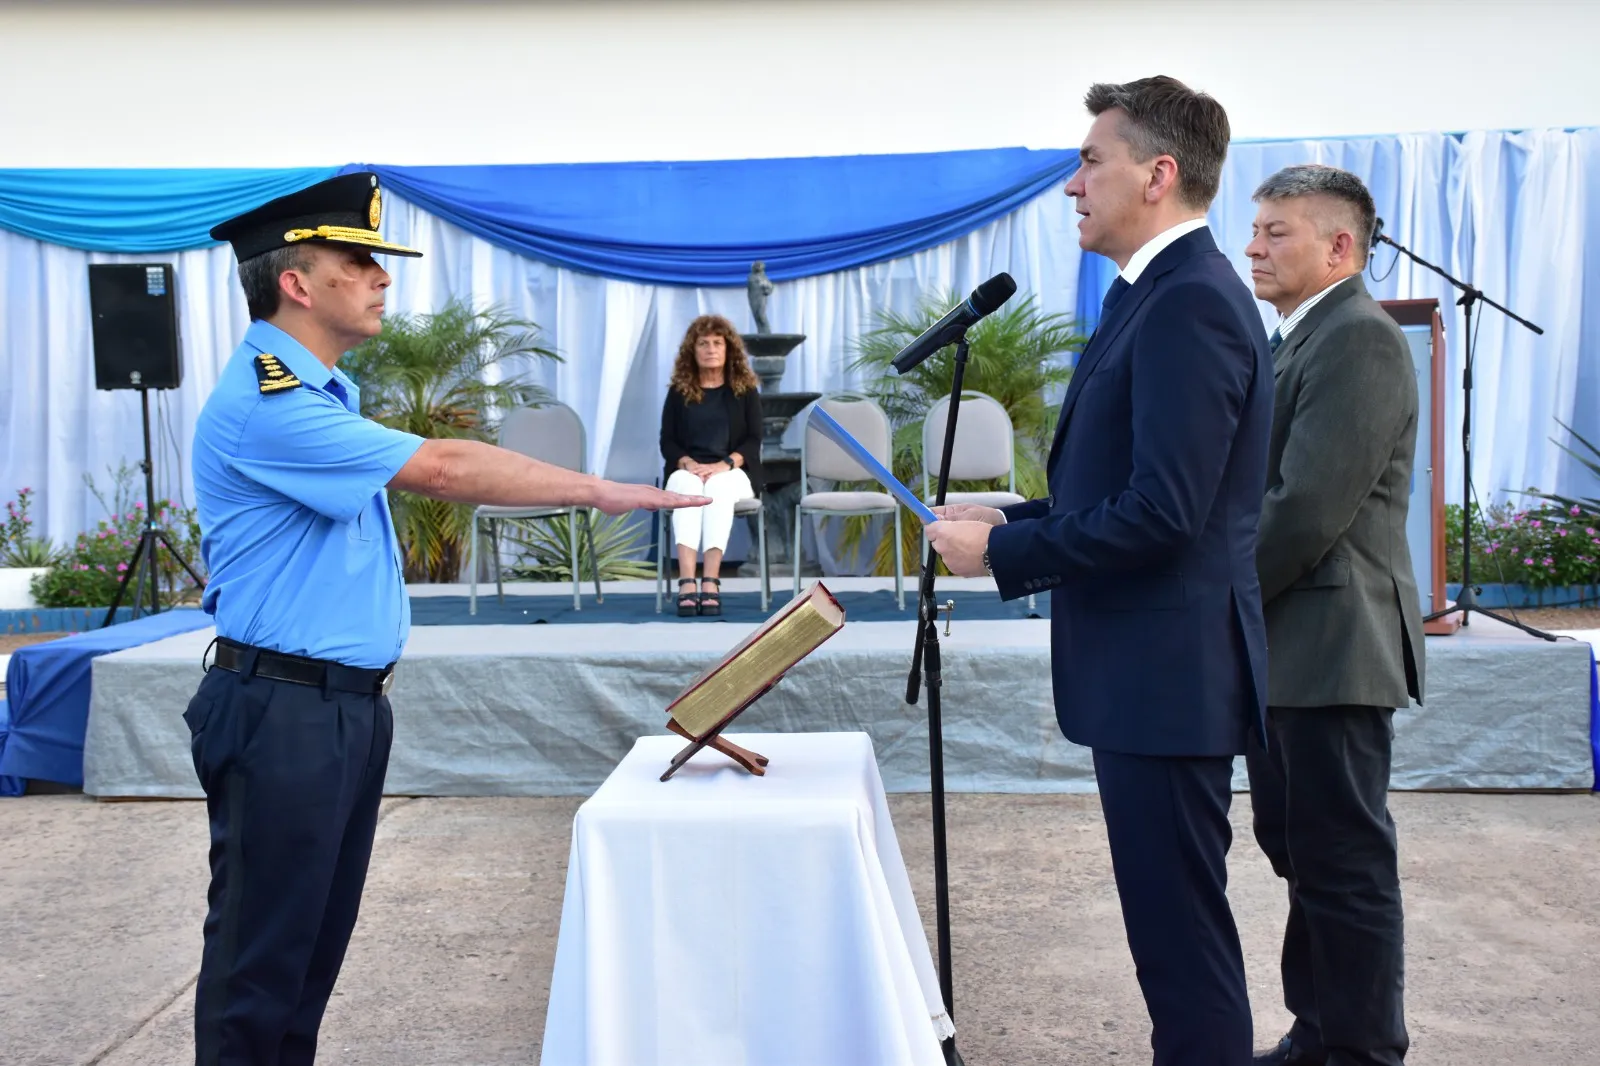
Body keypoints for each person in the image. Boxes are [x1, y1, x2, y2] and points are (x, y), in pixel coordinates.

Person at [186, 171, 707, 1065]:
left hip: (337, 707)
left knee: (306, 961)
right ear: (297, 285)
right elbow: (446, 470)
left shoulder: (323, 395)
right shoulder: (268, 403)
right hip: (282, 712)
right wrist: (601, 490)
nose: (383, 278)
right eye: (360, 261)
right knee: (258, 970)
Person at [926, 76, 1273, 1065]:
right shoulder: (1152, 296)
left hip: (1168, 679)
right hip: (1148, 676)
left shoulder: (1189, 304)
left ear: (1157, 175)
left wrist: (1005, 551)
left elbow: (1167, 514)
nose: (1073, 184)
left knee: (1181, 949)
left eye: (1091, 161)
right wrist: (1005, 517)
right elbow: (1129, 490)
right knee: (1169, 940)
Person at [1242, 164, 1422, 1066]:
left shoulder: (1358, 338)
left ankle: (1360, 1049)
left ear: (1338, 245)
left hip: (1331, 646)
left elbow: (1305, 510)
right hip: (1292, 645)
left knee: (1342, 864)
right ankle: (1321, 1030)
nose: (1253, 247)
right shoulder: (1298, 338)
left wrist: (1217, 600)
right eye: (1256, 229)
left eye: (1276, 231)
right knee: (1302, 852)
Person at [659, 314, 763, 616]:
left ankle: (711, 581)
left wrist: (724, 464)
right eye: (703, 343)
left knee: (716, 486)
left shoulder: (744, 390)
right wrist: (688, 462)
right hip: (688, 470)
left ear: (728, 349)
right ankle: (687, 582)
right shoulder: (679, 392)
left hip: (733, 473)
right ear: (692, 350)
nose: (711, 349)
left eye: (717, 343)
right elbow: (667, 441)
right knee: (688, 487)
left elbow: (754, 440)